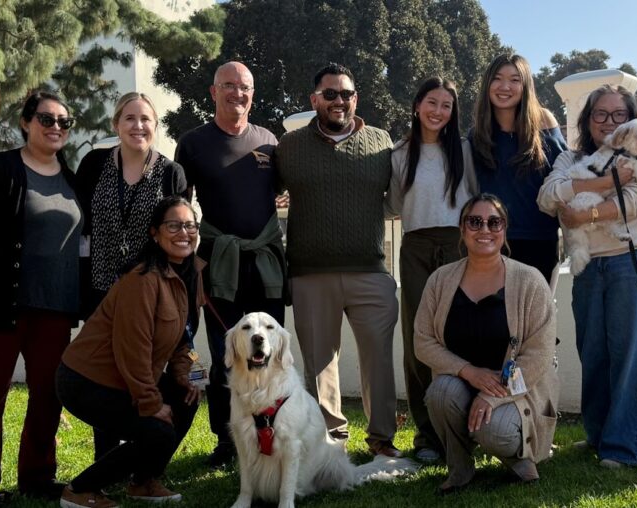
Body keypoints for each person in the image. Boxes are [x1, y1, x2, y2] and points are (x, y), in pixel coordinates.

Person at [0, 91, 81, 505]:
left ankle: (37, 476)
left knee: (48, 394)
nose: (55, 127)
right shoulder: (1, 168)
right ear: (26, 123)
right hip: (1, 302)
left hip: (56, 307)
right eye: (46, 119)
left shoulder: (71, 176)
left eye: (64, 122)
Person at [536, 84, 637, 467]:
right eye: (601, 114)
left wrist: (588, 212)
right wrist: (608, 184)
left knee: (630, 356)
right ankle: (598, 436)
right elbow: (548, 196)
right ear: (588, 119)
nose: (609, 122)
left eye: (619, 115)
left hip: (634, 260)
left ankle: (625, 448)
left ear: (630, 121)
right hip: (589, 265)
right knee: (593, 354)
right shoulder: (570, 157)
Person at [274, 62, 402, 457]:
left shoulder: (382, 142)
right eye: (330, 94)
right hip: (310, 273)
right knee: (319, 365)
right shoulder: (289, 147)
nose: (339, 101)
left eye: (346, 94)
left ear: (356, 98)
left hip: (371, 270)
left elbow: (397, 199)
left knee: (379, 360)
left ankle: (382, 439)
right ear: (314, 100)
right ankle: (331, 441)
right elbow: (264, 195)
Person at [55, 196, 203, 507]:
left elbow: (183, 339)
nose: (184, 233)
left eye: (190, 226)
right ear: (155, 233)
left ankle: (143, 482)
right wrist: (151, 403)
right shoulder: (143, 279)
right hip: (87, 381)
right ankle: (80, 490)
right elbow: (132, 348)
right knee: (158, 431)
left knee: (186, 399)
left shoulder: (188, 274)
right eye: (174, 226)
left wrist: (185, 375)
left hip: (126, 378)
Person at [174, 61, 285, 468]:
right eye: (230, 86)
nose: (238, 93)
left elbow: (279, 194)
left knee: (269, 354)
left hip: (265, 265)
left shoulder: (269, 141)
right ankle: (227, 440)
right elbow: (181, 208)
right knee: (228, 356)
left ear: (253, 94)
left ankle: (270, 433)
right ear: (213, 92)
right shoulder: (193, 143)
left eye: (245, 87)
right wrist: (194, 262)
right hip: (218, 266)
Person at [414, 193, 558, 491]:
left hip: (515, 393)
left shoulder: (530, 281)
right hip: (461, 384)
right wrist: (469, 372)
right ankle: (460, 468)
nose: (485, 230)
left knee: (495, 429)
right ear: (462, 229)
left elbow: (539, 355)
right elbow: (423, 341)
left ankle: (518, 460)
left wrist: (492, 396)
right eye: (475, 222)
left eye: (494, 222)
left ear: (504, 229)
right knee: (440, 393)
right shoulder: (440, 280)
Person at [73, 91, 187, 458]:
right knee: (105, 375)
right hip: (101, 286)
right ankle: (106, 457)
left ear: (155, 125)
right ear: (116, 124)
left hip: (148, 292)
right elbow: (80, 227)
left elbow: (179, 234)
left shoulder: (171, 173)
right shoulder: (94, 164)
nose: (138, 126)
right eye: (130, 118)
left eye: (146, 119)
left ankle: (142, 456)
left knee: (142, 369)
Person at [385, 76, 477, 463]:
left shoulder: (465, 150)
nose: (438, 111)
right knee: (418, 338)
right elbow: (392, 205)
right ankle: (427, 436)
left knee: (459, 335)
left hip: (458, 246)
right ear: (417, 105)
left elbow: (477, 199)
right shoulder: (399, 153)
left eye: (446, 105)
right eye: (432, 103)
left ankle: (465, 430)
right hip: (416, 247)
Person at [469, 54, 567, 283]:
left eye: (515, 80)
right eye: (497, 78)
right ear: (487, 84)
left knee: (537, 308)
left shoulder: (544, 122)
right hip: (491, 242)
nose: (505, 87)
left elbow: (564, 172)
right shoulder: (477, 135)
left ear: (525, 86)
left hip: (541, 241)